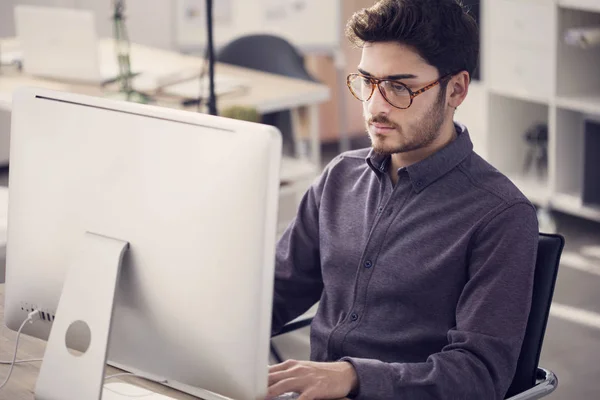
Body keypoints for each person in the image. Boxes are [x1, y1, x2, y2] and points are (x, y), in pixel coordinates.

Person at [267, 0, 539, 399]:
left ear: (456, 89)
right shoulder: (339, 177)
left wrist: (352, 377)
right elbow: (276, 292)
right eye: (366, 82)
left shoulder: (500, 216)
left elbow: (479, 375)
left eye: (399, 87)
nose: (375, 106)